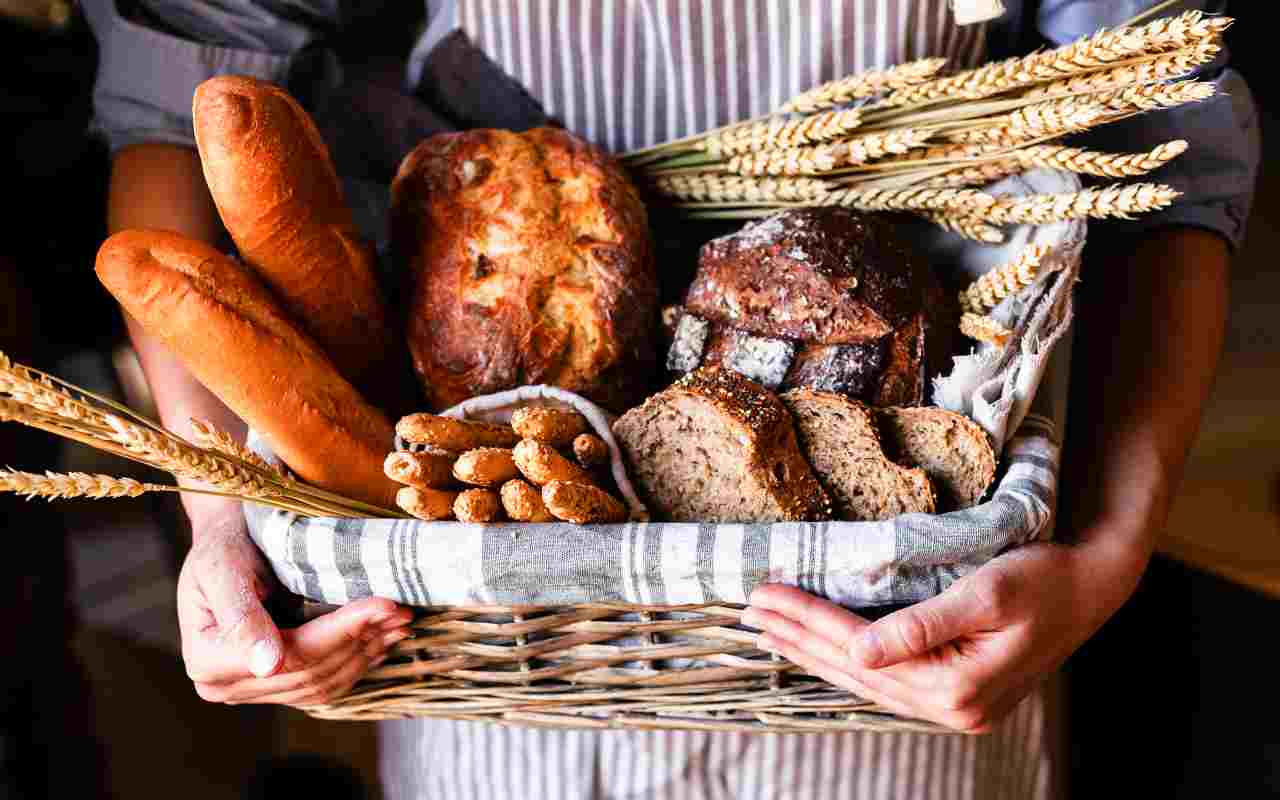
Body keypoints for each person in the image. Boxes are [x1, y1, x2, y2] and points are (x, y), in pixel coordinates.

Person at [81, 1, 1259, 798]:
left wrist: (1109, 549)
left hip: (912, 701)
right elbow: (173, 93)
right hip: (491, 682)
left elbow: (1170, 136)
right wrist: (219, 515)